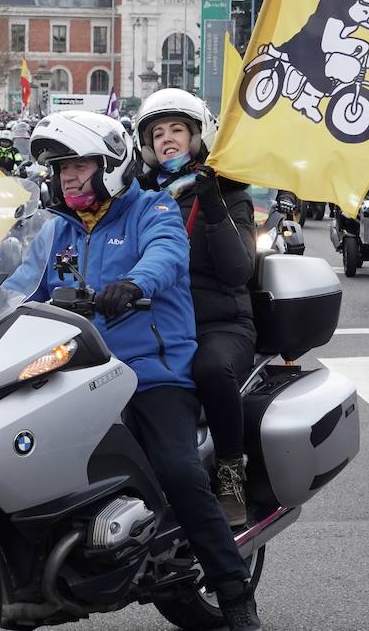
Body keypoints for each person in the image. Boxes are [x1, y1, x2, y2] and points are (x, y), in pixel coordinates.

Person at [28, 110, 262, 631]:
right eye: (60, 167)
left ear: (110, 165)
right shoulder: (54, 230)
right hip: (71, 372)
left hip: (148, 373)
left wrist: (134, 284)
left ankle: (233, 591)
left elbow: (167, 255)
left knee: (178, 471)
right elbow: (19, 282)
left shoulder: (153, 208)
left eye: (79, 164)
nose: (67, 176)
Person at [133, 89, 257, 528]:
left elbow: (238, 271)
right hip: (158, 324)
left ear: (197, 136)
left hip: (218, 322)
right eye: (158, 133)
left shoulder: (228, 192)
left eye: (177, 130)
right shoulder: (138, 198)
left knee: (210, 370)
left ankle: (230, 472)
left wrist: (215, 208)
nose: (168, 139)